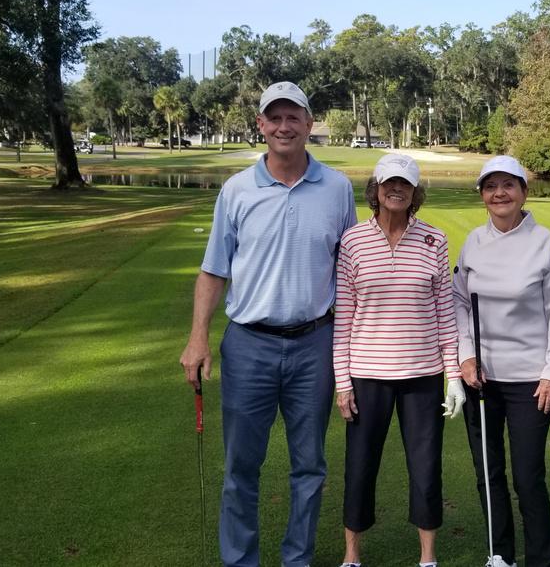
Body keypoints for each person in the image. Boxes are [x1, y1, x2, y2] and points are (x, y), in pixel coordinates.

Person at [179, 81, 357, 567]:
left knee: (309, 466)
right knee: (241, 467)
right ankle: (241, 561)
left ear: (309, 123)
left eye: (292, 117)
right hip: (248, 345)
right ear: (260, 124)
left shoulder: (337, 188)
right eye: (274, 118)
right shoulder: (237, 189)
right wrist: (198, 338)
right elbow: (214, 270)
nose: (283, 126)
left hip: (314, 344)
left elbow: (350, 267)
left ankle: (297, 559)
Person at [333, 153, 466, 567]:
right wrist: (342, 382)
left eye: (405, 184)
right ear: (375, 189)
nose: (396, 189)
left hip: (422, 375)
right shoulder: (353, 241)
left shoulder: (435, 240)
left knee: (425, 468)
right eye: (389, 183)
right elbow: (343, 317)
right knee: (360, 467)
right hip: (367, 375)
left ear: (415, 192)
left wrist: (453, 375)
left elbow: (445, 312)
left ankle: (427, 557)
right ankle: (352, 555)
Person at [452, 155, 550, 567]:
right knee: (488, 473)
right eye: (490, 186)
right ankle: (500, 554)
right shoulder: (473, 242)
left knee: (527, 476)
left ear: (523, 192)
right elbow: (459, 301)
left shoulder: (544, 241)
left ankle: (540, 560)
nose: (499, 193)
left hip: (530, 380)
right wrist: (466, 356)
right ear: (482, 195)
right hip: (481, 378)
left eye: (508, 185)